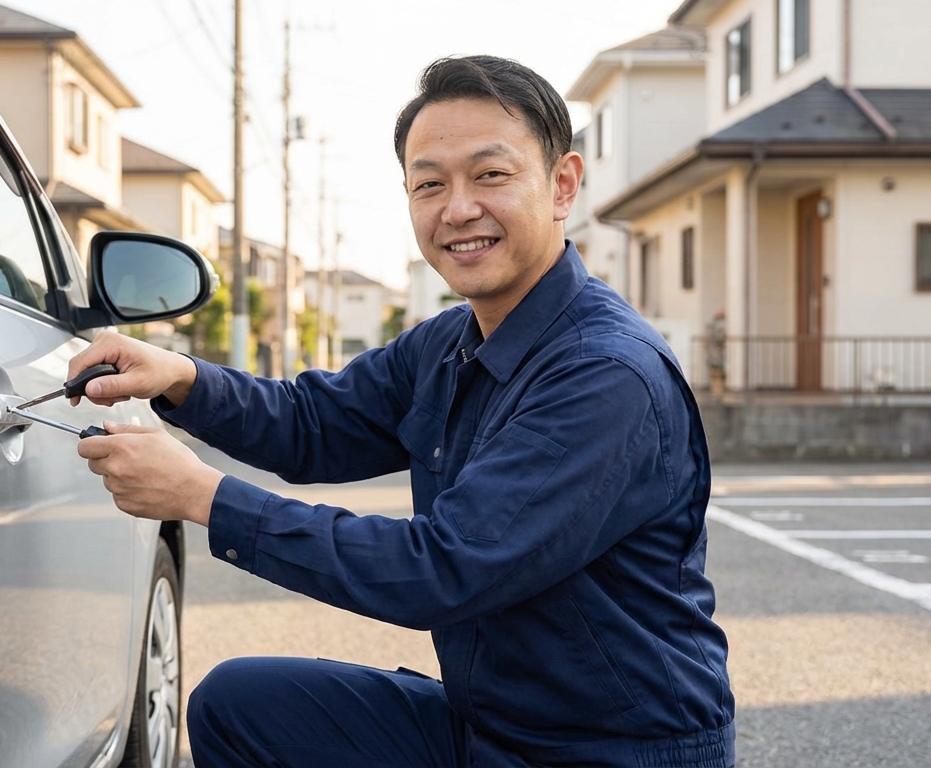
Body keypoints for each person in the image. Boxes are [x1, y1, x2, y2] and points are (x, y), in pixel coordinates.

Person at [70, 55, 735, 768]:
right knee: (239, 705)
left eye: (491, 175)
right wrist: (181, 378)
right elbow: (311, 424)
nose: (457, 209)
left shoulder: (604, 374)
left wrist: (203, 496)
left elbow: (442, 569)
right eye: (429, 184)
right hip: (491, 729)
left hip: (614, 751)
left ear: (562, 184)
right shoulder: (451, 341)